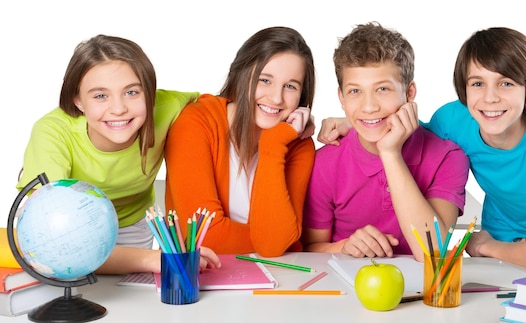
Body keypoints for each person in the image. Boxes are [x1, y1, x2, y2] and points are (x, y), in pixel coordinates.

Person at [317, 27, 526, 271]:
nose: (490, 98)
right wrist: (358, 121)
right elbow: (407, 127)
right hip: (497, 243)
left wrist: (488, 246)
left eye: (506, 83)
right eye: (478, 84)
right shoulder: (454, 121)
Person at [17, 35, 221, 274]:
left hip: (132, 226)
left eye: (132, 92)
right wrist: (151, 259)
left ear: (150, 93)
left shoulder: (169, 106)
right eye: (100, 95)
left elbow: (223, 110)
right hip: (69, 235)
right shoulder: (52, 133)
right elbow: (50, 241)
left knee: (130, 301)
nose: (118, 109)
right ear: (78, 100)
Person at [302, 22, 469, 262]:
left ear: (409, 93)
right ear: (341, 97)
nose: (369, 107)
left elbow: (433, 253)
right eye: (355, 91)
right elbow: (308, 249)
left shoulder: (448, 157)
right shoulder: (325, 162)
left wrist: (390, 154)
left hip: (421, 290)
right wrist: (344, 246)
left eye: (382, 89)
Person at [164, 26, 316, 257]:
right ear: (242, 74)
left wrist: (273, 145)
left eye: (290, 86)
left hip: (278, 277)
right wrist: (272, 240)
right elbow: (204, 236)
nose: (276, 98)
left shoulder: (297, 143)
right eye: (265, 80)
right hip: (203, 278)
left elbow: (274, 245)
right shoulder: (196, 123)